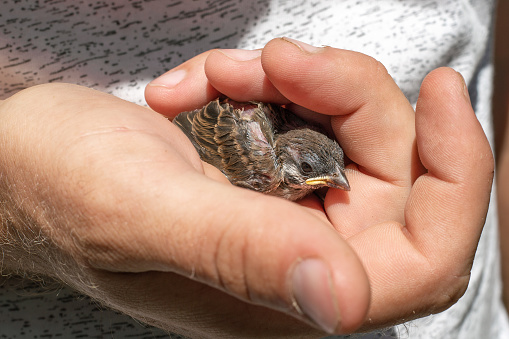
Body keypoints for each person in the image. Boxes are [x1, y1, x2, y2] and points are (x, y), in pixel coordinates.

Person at [0, 1, 506, 338]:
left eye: (331, 174)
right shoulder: (261, 164)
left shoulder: (313, 154)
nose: (335, 183)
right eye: (313, 171)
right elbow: (195, 126)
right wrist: (18, 198)